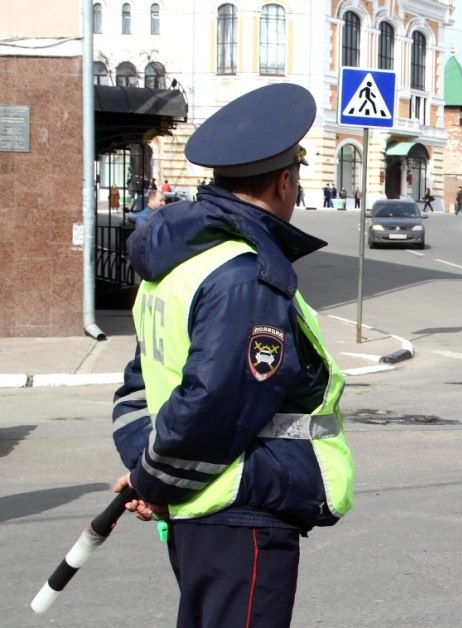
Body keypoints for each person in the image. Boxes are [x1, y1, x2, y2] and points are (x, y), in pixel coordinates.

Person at [110, 83, 354, 628]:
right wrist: (153, 481)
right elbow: (215, 403)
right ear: (286, 181)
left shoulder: (177, 261)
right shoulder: (245, 274)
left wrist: (148, 473)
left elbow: (139, 386)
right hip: (240, 510)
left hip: (199, 510)